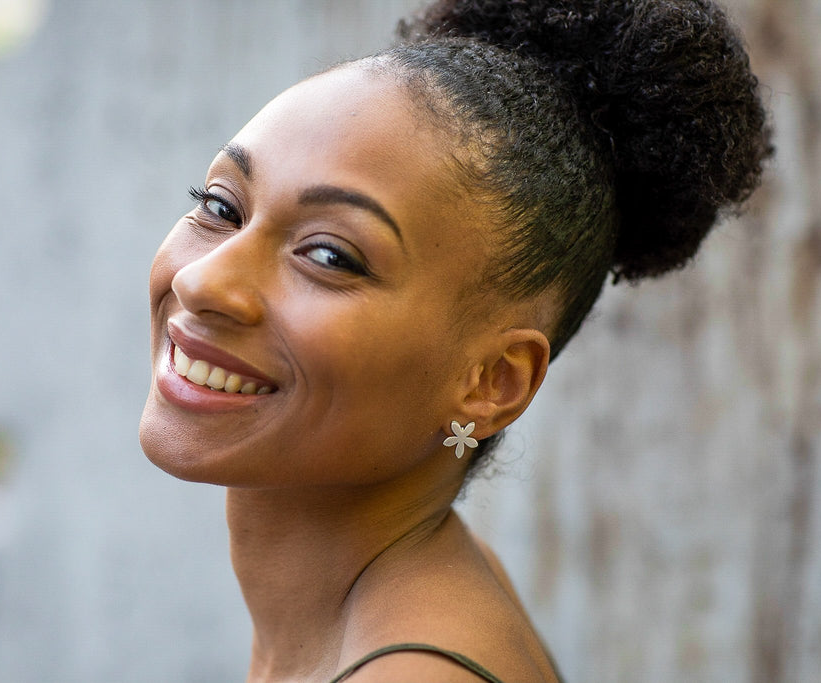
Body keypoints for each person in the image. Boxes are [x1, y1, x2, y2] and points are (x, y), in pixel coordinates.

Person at [139, 0, 770, 680]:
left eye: (329, 256)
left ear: (492, 381)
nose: (202, 281)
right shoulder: (415, 597)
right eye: (221, 206)